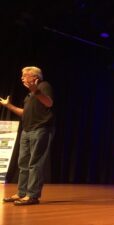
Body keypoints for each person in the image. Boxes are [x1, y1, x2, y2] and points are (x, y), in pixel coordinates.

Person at [1, 66, 54, 206]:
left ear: (35, 77)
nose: (22, 77)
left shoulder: (43, 86)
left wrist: (35, 90)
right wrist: (9, 106)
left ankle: (32, 195)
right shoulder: (29, 95)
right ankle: (22, 192)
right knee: (22, 163)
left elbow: (49, 102)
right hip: (26, 131)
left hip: (40, 129)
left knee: (35, 163)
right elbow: (24, 113)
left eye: (25, 75)